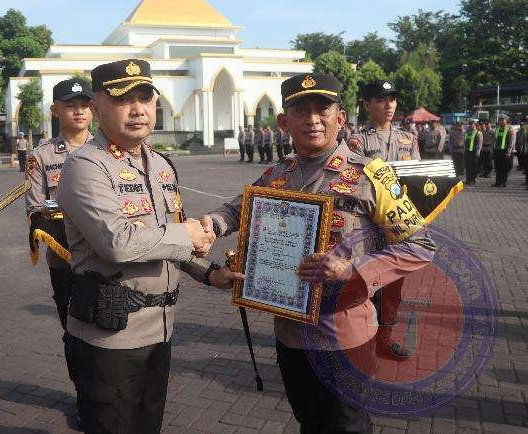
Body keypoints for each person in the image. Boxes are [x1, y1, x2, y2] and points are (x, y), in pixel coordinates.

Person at [200, 73, 435, 434]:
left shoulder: (370, 175)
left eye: (322, 110)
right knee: (308, 422)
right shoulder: (277, 174)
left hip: (343, 333)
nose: (313, 120)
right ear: (284, 122)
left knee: (348, 426)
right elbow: (237, 209)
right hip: (290, 332)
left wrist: (354, 270)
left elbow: (420, 245)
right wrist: (212, 225)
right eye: (301, 111)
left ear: (340, 118)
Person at [56, 59, 241, 434]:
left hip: (160, 330)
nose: (138, 109)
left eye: (145, 98)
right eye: (123, 99)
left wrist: (209, 273)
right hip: (111, 338)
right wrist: (188, 234)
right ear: (96, 107)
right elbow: (118, 242)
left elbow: (165, 239)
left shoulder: (160, 165)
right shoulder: (86, 166)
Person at [24, 77, 94, 425]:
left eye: (84, 105)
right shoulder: (41, 156)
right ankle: (85, 397)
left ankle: (106, 395)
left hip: (108, 256)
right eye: (70, 105)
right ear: (55, 110)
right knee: (74, 330)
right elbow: (36, 208)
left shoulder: (111, 150)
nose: (79, 111)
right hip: (65, 259)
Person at [347, 80, 421, 360]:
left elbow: (417, 179)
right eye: (380, 99)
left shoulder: (408, 138)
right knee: (363, 281)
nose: (389, 104)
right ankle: (361, 338)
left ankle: (384, 339)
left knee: (393, 283)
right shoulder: (358, 141)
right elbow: (351, 182)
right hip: (367, 224)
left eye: (392, 99)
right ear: (367, 105)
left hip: (398, 224)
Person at [492, 113, 516, 187]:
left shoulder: (510, 129)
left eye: (502, 120)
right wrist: (493, 149)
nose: (501, 121)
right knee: (497, 167)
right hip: (497, 150)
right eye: (500, 120)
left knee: (504, 168)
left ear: (506, 120)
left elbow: (511, 142)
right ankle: (498, 182)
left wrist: (508, 152)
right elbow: (494, 139)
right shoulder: (497, 129)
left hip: (505, 151)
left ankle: (503, 182)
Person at [463, 119, 482, 185]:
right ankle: (468, 179)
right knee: (467, 166)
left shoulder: (478, 133)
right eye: (470, 124)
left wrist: (478, 152)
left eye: (472, 124)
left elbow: (479, 144)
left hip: (474, 152)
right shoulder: (467, 133)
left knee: (473, 166)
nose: (471, 125)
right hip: (467, 152)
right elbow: (465, 142)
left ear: (475, 125)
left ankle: (472, 180)